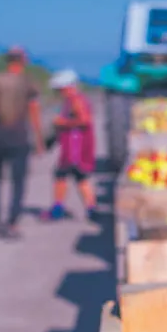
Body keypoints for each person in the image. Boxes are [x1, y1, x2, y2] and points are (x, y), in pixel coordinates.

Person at [0, 46, 46, 239]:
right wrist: (39, 138)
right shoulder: (28, 83)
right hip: (19, 138)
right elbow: (34, 111)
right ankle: (12, 223)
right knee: (18, 182)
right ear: (23, 60)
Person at [43, 69, 99, 221]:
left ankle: (58, 207)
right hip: (74, 146)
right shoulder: (73, 100)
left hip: (75, 147)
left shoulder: (76, 100)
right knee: (80, 178)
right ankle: (91, 208)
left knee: (62, 175)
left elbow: (85, 120)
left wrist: (63, 123)